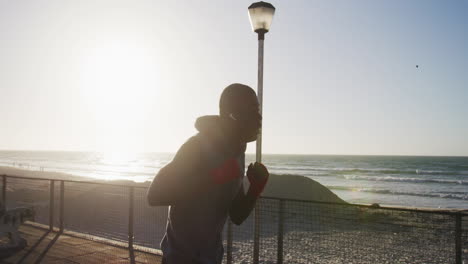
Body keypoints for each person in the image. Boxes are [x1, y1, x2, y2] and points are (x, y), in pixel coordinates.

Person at [147, 83, 270, 264]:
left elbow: (236, 215)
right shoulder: (197, 146)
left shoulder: (237, 154)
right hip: (179, 259)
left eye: (258, 110)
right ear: (232, 115)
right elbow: (155, 195)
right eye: (252, 110)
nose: (259, 117)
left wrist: (254, 190)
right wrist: (213, 177)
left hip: (211, 258)